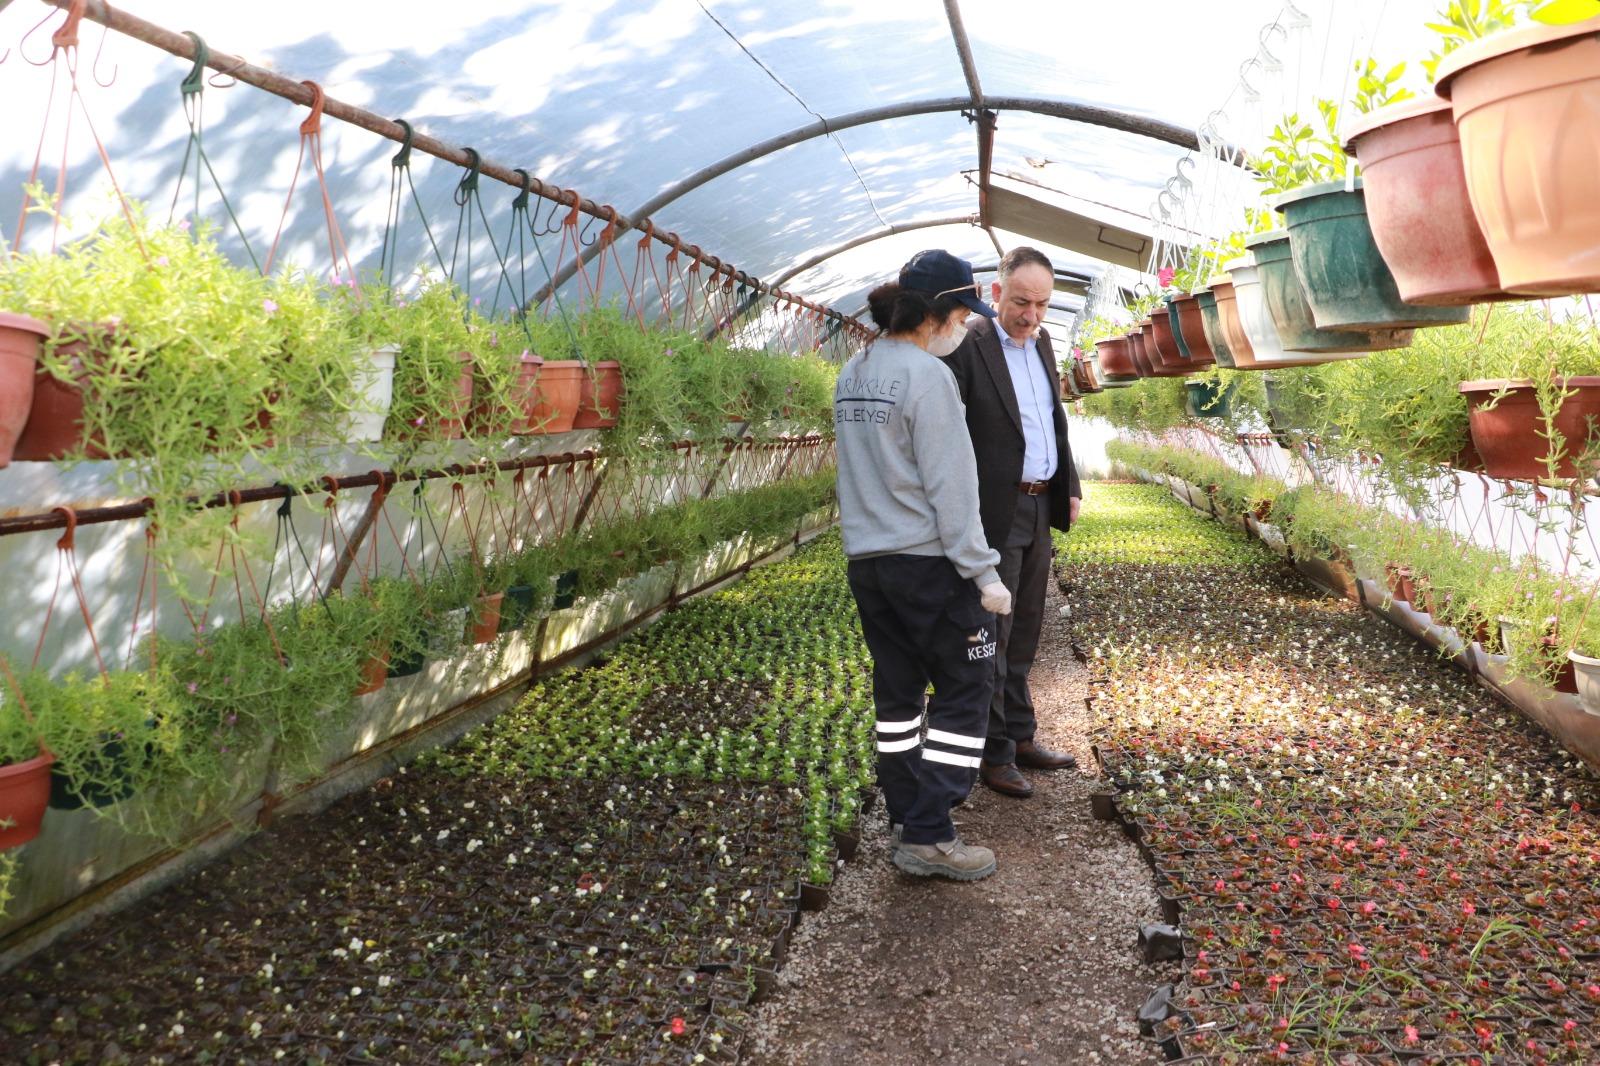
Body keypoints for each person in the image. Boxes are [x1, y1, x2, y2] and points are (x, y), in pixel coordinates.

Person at [835, 249, 1014, 882]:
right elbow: (952, 487)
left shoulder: (855, 370)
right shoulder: (927, 377)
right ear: (938, 313)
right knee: (967, 691)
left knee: (899, 697)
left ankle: (907, 814)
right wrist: (984, 573)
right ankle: (931, 835)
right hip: (929, 567)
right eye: (963, 313)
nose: (964, 327)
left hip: (871, 566)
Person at [939, 245, 1082, 800]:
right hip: (991, 509)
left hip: (1040, 505)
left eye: (1043, 304)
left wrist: (1066, 483)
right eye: (1022, 302)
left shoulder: (1043, 343)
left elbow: (1052, 422)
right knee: (990, 633)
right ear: (997, 293)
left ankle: (1021, 735)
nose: (1032, 315)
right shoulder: (967, 347)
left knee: (1026, 625)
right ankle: (992, 752)